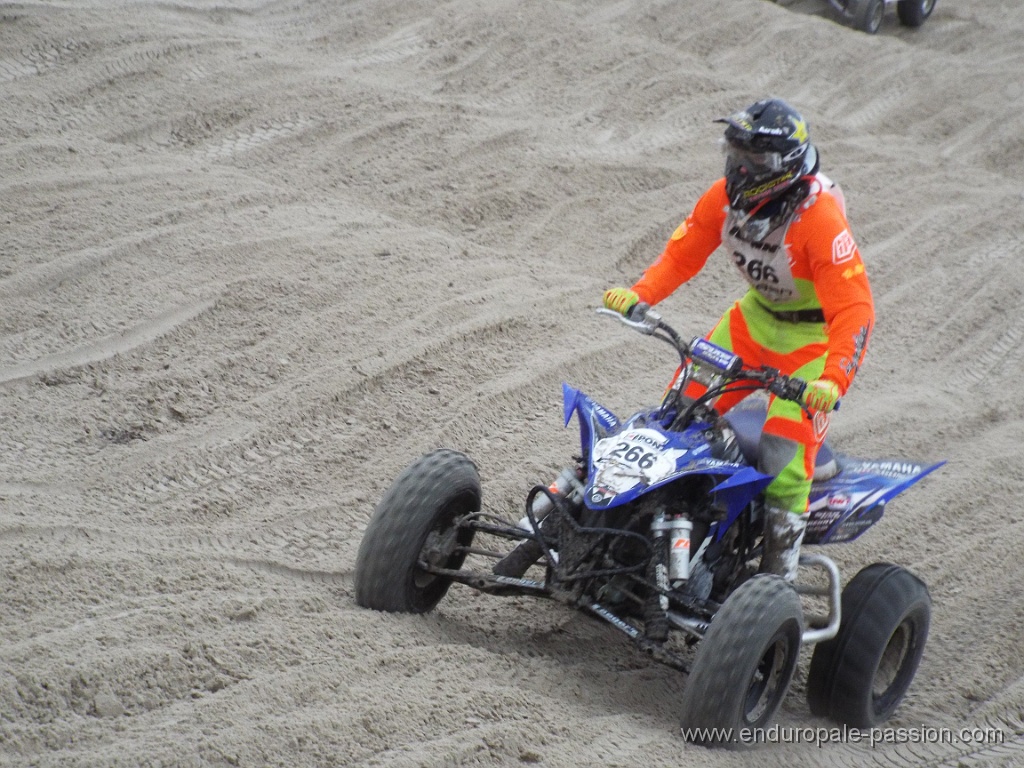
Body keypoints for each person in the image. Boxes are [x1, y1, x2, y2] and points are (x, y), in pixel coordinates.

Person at [603, 98, 874, 582]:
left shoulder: (820, 220)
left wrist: (833, 379)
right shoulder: (722, 198)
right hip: (752, 321)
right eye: (736, 155)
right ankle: (645, 538)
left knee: (782, 455)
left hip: (812, 342)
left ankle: (776, 582)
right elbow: (682, 255)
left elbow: (855, 309)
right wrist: (638, 294)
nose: (742, 170)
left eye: (757, 163)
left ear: (787, 167)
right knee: (677, 416)